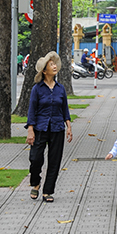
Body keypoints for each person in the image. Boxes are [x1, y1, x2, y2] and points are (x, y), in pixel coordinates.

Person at [25, 51, 72, 203]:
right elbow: (32, 110)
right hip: (40, 128)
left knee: (55, 160)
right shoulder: (37, 89)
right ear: (44, 70)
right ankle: (36, 182)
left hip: (58, 128)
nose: (54, 66)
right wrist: (30, 130)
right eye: (51, 65)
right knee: (35, 158)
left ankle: (48, 191)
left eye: (54, 64)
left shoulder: (60, 89)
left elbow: (65, 109)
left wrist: (69, 126)